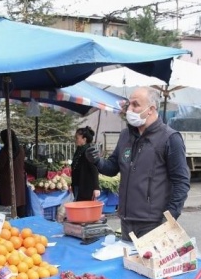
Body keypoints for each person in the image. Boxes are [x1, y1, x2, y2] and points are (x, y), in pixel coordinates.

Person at [85, 86, 190, 241]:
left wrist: (170, 218)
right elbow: (113, 167)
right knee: (128, 264)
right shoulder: (125, 135)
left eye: (135, 105)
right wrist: (97, 161)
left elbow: (181, 182)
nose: (129, 109)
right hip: (127, 221)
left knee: (148, 265)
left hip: (154, 223)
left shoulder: (170, 139)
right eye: (129, 104)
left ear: (151, 109)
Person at [0, 129, 26, 217]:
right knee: (19, 202)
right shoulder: (21, 150)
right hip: (19, 180)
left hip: (7, 181)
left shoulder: (4, 151)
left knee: (7, 204)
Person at [71, 127, 100, 201]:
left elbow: (94, 169)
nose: (75, 140)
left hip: (86, 186)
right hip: (77, 184)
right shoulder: (79, 150)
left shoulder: (89, 151)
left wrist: (96, 188)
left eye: (77, 138)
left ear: (84, 139)